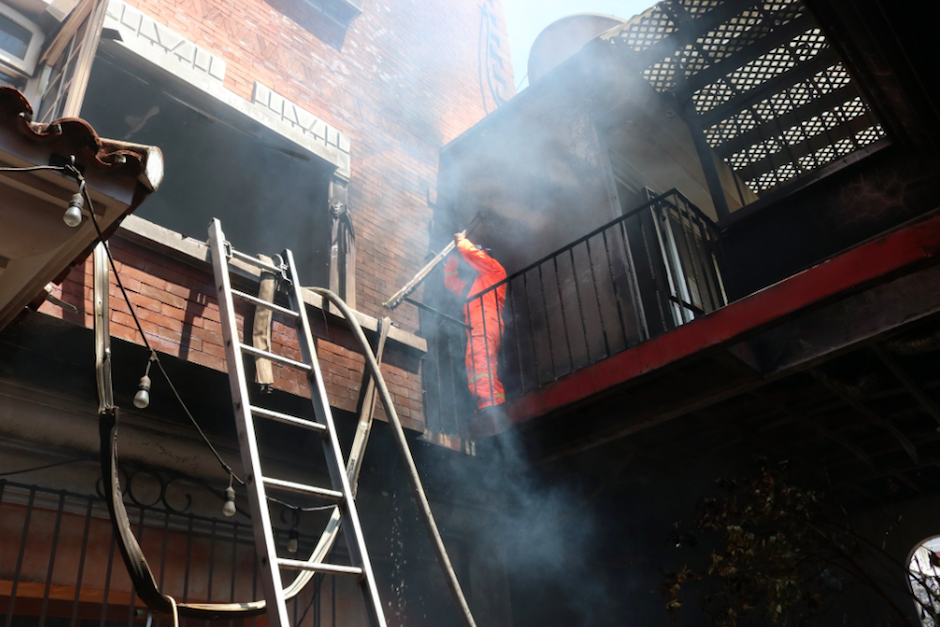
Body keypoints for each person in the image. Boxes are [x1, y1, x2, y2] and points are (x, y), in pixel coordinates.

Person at [444, 230, 507, 409]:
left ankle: (491, 404)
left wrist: (461, 241)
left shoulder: (495, 269)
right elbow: (451, 283)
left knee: (480, 359)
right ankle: (489, 402)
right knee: (478, 361)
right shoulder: (477, 285)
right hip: (481, 321)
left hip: (486, 318)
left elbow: (472, 254)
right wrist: (453, 259)